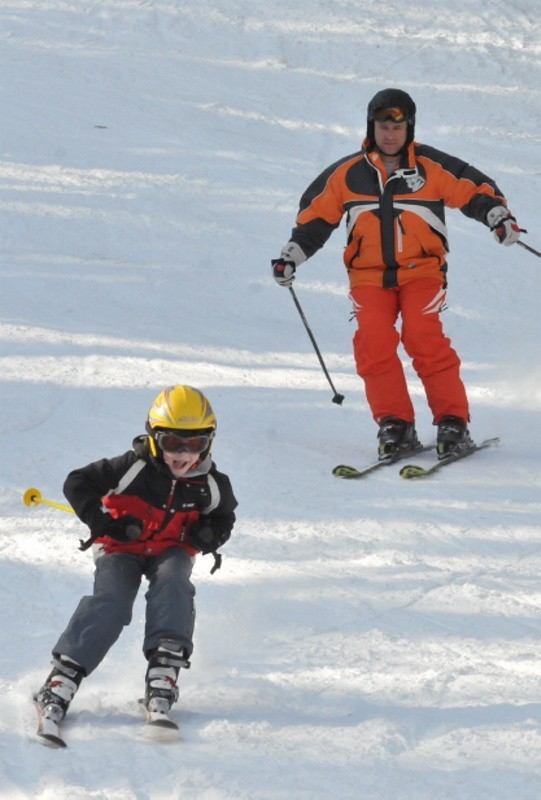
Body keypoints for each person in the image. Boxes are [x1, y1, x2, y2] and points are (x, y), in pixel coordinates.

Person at [271, 88, 522, 460]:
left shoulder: (430, 167)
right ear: (371, 127)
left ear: (410, 129)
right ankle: (396, 423)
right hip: (368, 276)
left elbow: (474, 190)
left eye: (398, 127)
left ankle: (452, 420)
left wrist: (497, 216)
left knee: (423, 336)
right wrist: (292, 255)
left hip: (422, 271)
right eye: (383, 126)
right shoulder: (347, 174)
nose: (390, 134)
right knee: (373, 343)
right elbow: (315, 219)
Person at [34, 385, 237, 736]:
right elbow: (77, 482)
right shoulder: (131, 468)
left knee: (174, 582)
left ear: (210, 442)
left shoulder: (212, 483)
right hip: (120, 547)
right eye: (174, 443)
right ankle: (63, 676)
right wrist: (103, 522)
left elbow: (224, 516)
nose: (184, 455)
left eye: (197, 444)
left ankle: (164, 668)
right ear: (155, 438)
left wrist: (210, 535)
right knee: (113, 599)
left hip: (171, 548)